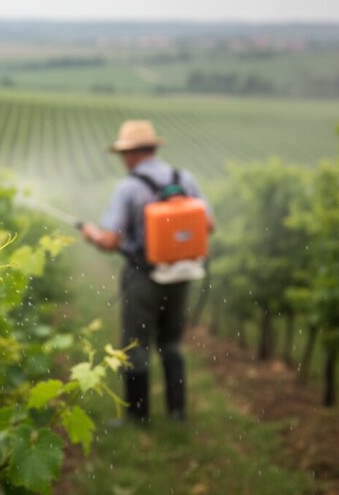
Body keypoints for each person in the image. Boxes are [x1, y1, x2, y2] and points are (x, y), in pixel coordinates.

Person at [80, 120, 213, 423]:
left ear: (131, 154)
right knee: (171, 344)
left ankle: (137, 415)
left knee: (135, 345)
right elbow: (209, 225)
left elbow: (111, 241)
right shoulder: (185, 179)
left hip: (144, 278)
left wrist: (92, 234)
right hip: (182, 275)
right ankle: (177, 412)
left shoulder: (129, 187)